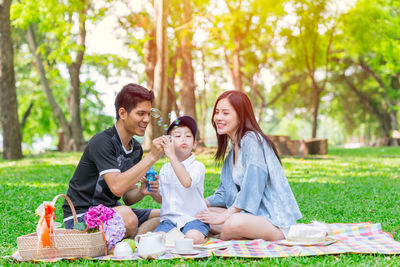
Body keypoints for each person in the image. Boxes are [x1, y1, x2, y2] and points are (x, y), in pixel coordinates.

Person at [196, 90, 302, 241]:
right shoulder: (232, 152)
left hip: (272, 220)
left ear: (241, 116)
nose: (218, 117)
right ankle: (234, 233)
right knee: (201, 213)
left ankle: (228, 235)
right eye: (217, 112)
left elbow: (253, 188)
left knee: (233, 222)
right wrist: (197, 203)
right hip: (251, 215)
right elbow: (224, 194)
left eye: (225, 113)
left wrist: (224, 216)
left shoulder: (252, 140)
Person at [62, 83, 164, 238]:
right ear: (122, 113)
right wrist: (152, 157)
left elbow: (128, 197)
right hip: (81, 217)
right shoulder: (102, 141)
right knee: (129, 218)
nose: (146, 119)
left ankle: (135, 236)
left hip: (112, 210)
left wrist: (142, 192)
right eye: (141, 113)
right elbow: (117, 187)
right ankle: (138, 237)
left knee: (167, 214)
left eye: (149, 114)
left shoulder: (136, 149)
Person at [152, 116, 209, 244]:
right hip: (169, 221)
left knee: (192, 238)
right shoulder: (165, 169)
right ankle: (176, 238)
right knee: (158, 240)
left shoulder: (198, 166)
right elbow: (161, 198)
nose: (183, 139)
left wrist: (170, 154)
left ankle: (198, 235)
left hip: (194, 219)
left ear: (194, 144)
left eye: (188, 136)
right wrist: (153, 190)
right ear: (169, 142)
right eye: (177, 136)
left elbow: (186, 182)